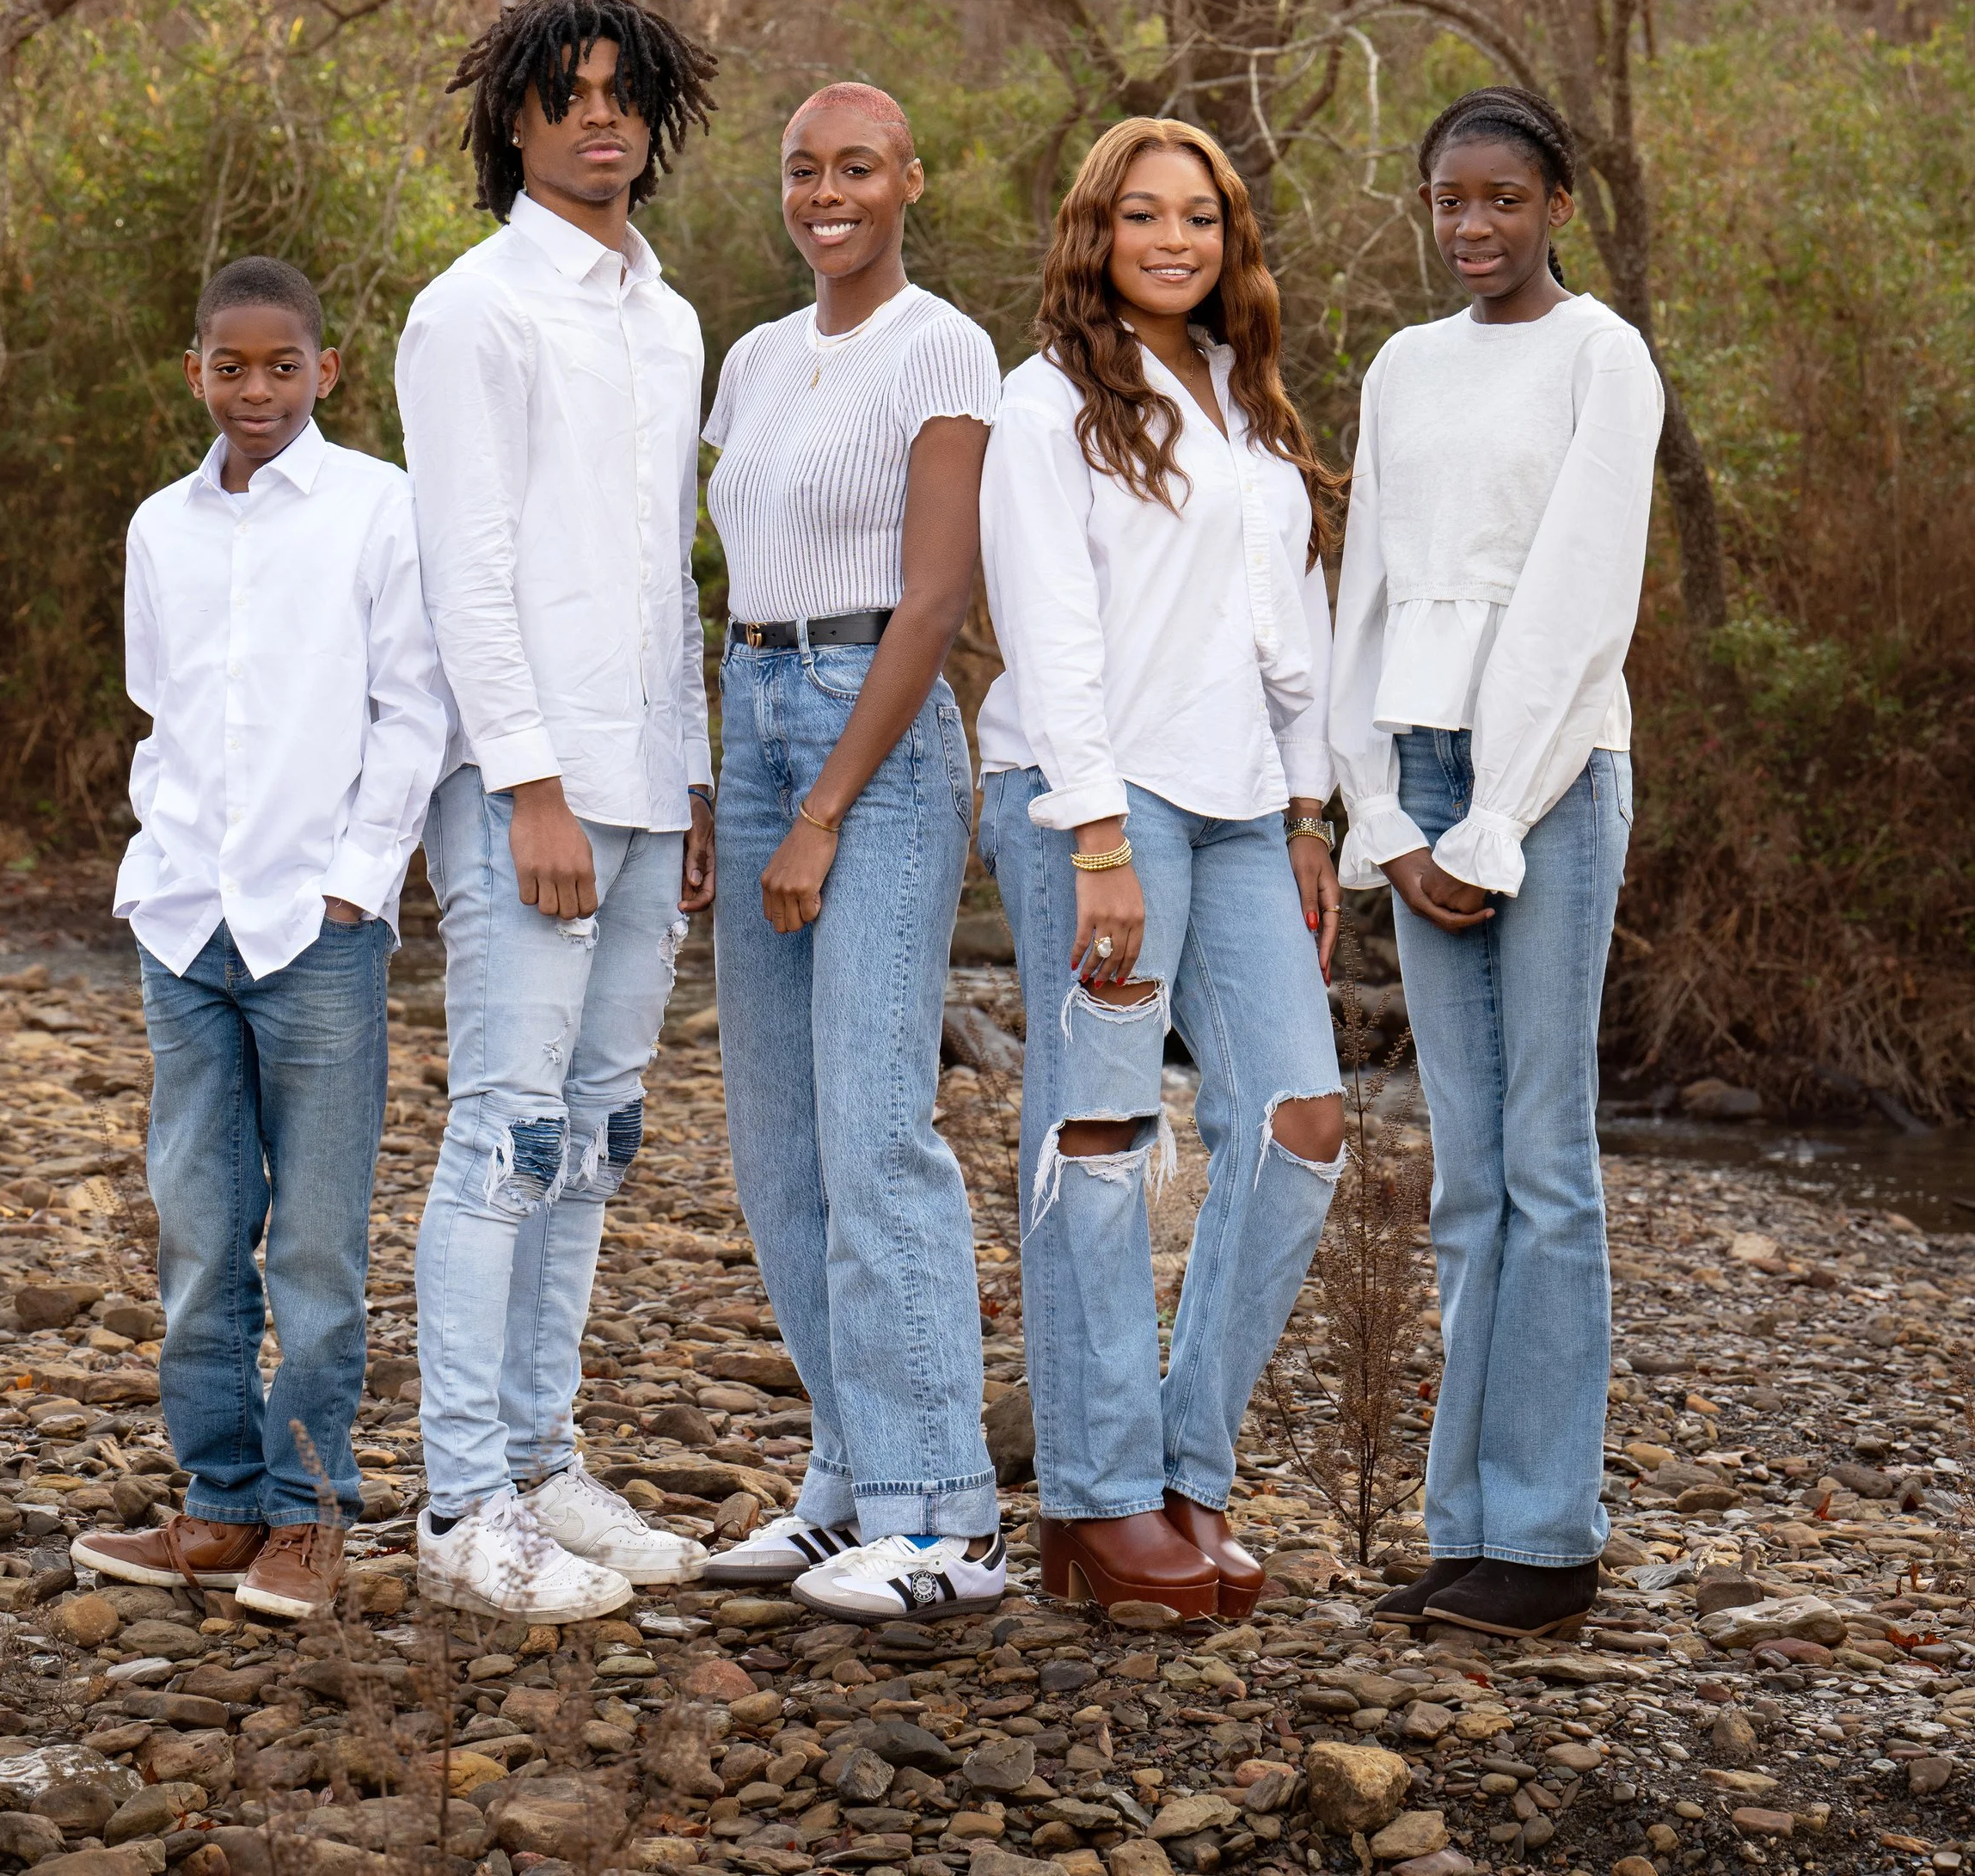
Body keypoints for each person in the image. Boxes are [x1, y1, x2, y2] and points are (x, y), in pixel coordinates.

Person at [978, 117, 1346, 1621]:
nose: (1176, 239)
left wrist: (1314, 812)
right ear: (1098, 233)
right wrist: (1101, 837)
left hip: (1249, 804)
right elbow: (1050, 630)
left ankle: (1187, 1472)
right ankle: (1098, 1502)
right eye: (1145, 216)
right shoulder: (1046, 401)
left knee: (1302, 1124)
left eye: (1201, 215)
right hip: (1098, 804)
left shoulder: (1251, 401)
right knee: (1102, 1139)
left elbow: (1298, 619)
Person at [396, 0, 720, 1619]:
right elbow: (469, 569)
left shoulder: (671, 321)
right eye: (566, 96)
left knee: (595, 1137)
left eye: (622, 94)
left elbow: (663, 568)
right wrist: (529, 783)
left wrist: (698, 774)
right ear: (513, 123)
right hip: (533, 784)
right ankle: (461, 1503)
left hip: (651, 779)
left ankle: (541, 1458)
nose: (599, 117)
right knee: (505, 1131)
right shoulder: (474, 314)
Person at [1332, 86, 1663, 1641]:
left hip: (1548, 778)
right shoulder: (1403, 367)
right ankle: (1465, 1528)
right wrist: (1387, 815)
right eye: (1451, 200)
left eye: (1505, 199)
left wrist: (1493, 815)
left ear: (1558, 204)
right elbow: (1371, 593)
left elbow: (1585, 593)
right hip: (1424, 775)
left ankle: (1550, 1538)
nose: (1475, 226)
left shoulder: (1604, 356)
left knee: (1547, 1166)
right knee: (1466, 1176)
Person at [73, 258, 446, 1622]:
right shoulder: (160, 526)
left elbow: (414, 710)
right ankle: (220, 1504)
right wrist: (160, 858)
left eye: (281, 366)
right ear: (196, 373)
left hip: (316, 926)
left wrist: (357, 880)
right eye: (231, 367)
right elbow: (160, 706)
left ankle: (309, 1509)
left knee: (318, 1243)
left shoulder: (376, 508)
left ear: (324, 372)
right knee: (199, 1226)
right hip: (184, 919)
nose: (256, 390)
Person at [699, 83, 1006, 1617]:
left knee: (880, 1130)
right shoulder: (753, 357)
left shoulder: (943, 345)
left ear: (911, 179)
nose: (828, 192)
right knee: (778, 1144)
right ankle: (846, 1479)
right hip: (750, 709)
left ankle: (948, 1511)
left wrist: (822, 806)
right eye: (804, 165)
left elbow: (938, 600)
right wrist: (722, 787)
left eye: (860, 167)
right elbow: (730, 567)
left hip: (866, 734)